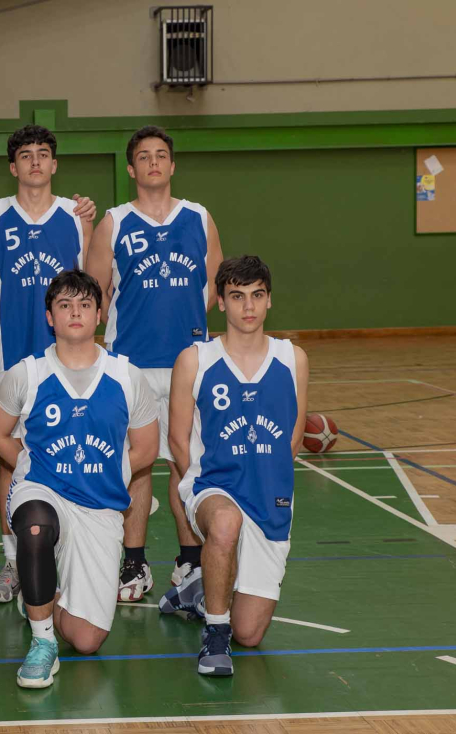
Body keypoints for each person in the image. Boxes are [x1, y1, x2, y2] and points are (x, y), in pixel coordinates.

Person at [0, 270, 158, 688]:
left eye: (84, 305)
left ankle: (41, 597)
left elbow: (146, 448)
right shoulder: (26, 374)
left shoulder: (127, 376)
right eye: (64, 305)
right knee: (36, 525)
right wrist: (29, 464)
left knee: (86, 639)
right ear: (50, 317)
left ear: (99, 314)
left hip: (99, 503)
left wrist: (107, 475)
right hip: (43, 489)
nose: (75, 312)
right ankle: (42, 642)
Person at [85, 125, 224, 602]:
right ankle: (135, 560)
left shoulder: (199, 217)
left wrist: (186, 322)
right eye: (143, 157)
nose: (153, 163)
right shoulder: (114, 222)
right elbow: (95, 293)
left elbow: (216, 286)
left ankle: (189, 560)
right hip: (132, 364)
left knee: (185, 462)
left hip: (189, 361)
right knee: (138, 464)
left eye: (161, 155)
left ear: (173, 164)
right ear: (131, 169)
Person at [0, 124, 95, 604]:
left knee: (75, 444)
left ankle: (74, 549)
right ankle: (12, 560)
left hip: (71, 359)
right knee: (11, 455)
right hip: (14, 355)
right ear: (12, 166)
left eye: (43, 154)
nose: (35, 161)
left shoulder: (77, 217)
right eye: (26, 154)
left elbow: (95, 284)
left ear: (54, 164)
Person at [164, 255, 308, 676]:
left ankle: (199, 590)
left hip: (268, 497)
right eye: (237, 296)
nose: (248, 306)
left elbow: (293, 438)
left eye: (257, 295)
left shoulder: (292, 358)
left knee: (250, 633)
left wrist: (263, 479)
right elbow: (178, 439)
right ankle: (214, 632)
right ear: (221, 302)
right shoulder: (195, 359)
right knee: (225, 522)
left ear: (269, 301)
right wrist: (198, 487)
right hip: (213, 487)